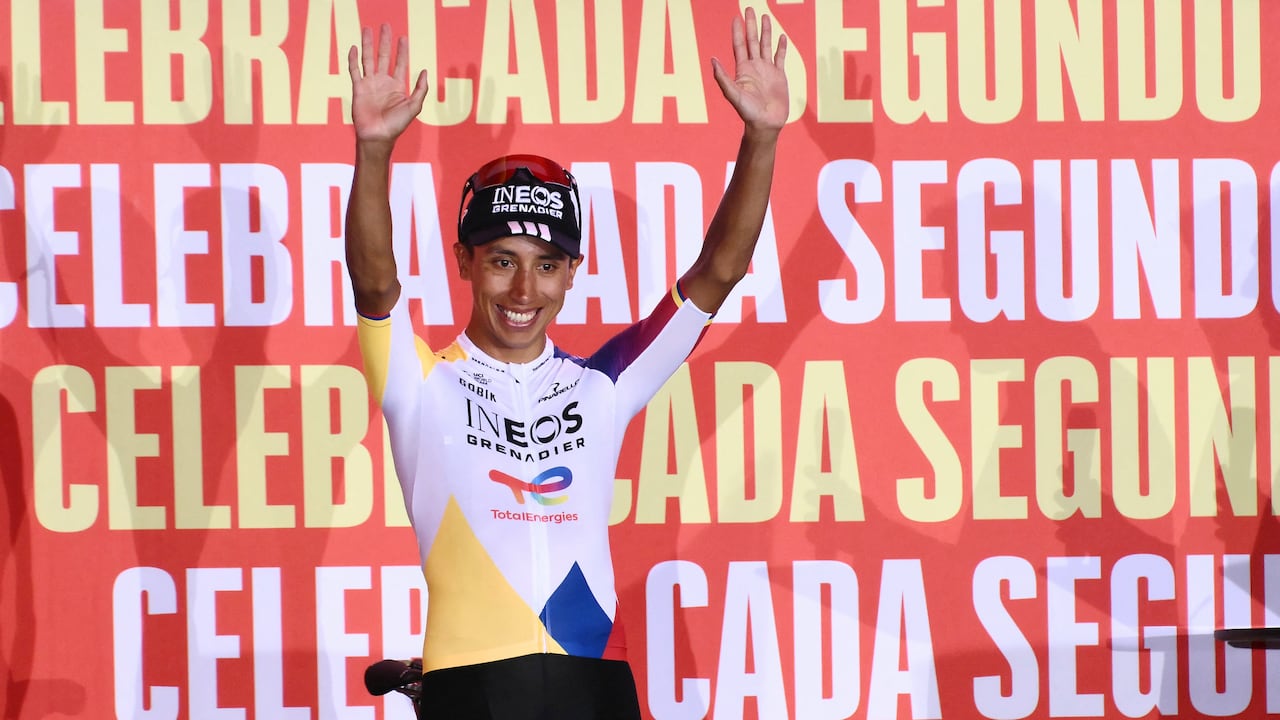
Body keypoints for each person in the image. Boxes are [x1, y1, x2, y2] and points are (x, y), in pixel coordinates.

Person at [345, 8, 788, 719]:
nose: (524, 291)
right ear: (463, 261)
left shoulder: (603, 384)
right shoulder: (420, 382)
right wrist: (374, 152)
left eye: (547, 265)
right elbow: (375, 285)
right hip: (476, 688)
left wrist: (761, 138)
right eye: (502, 262)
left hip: (596, 685)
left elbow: (718, 272)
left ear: (573, 272)